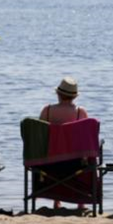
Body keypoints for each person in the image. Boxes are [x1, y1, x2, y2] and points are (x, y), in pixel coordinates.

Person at [39, 76, 88, 210]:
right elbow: (86, 141)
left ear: (58, 94)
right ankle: (81, 202)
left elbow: (40, 137)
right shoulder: (80, 113)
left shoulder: (47, 110)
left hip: (49, 162)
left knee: (56, 152)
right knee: (83, 156)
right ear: (75, 97)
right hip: (74, 163)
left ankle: (56, 201)